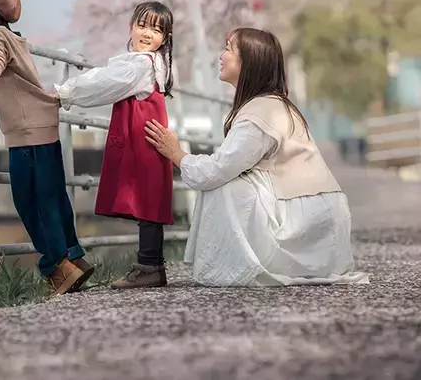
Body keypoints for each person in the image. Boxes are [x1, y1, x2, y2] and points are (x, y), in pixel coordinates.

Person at [145, 27, 369, 287]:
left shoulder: (261, 112)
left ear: (247, 62)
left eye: (229, 48)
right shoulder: (272, 104)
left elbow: (218, 169)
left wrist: (177, 154)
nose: (221, 55)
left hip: (307, 224)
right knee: (228, 181)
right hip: (317, 222)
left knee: (225, 185)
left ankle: (237, 267)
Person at [0, 0, 93, 295]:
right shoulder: (18, 38)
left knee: (30, 201)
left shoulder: (2, 39)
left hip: (27, 134)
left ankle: (57, 268)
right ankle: (74, 257)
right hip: (41, 126)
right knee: (52, 197)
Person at [55, 1, 174, 290]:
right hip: (146, 140)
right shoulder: (148, 64)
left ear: (165, 39)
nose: (147, 34)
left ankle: (149, 267)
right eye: (142, 25)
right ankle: (151, 265)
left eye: (156, 30)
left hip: (144, 142)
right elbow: (107, 78)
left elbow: (104, 83)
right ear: (131, 26)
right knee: (149, 201)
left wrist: (64, 93)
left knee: (147, 202)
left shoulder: (140, 65)